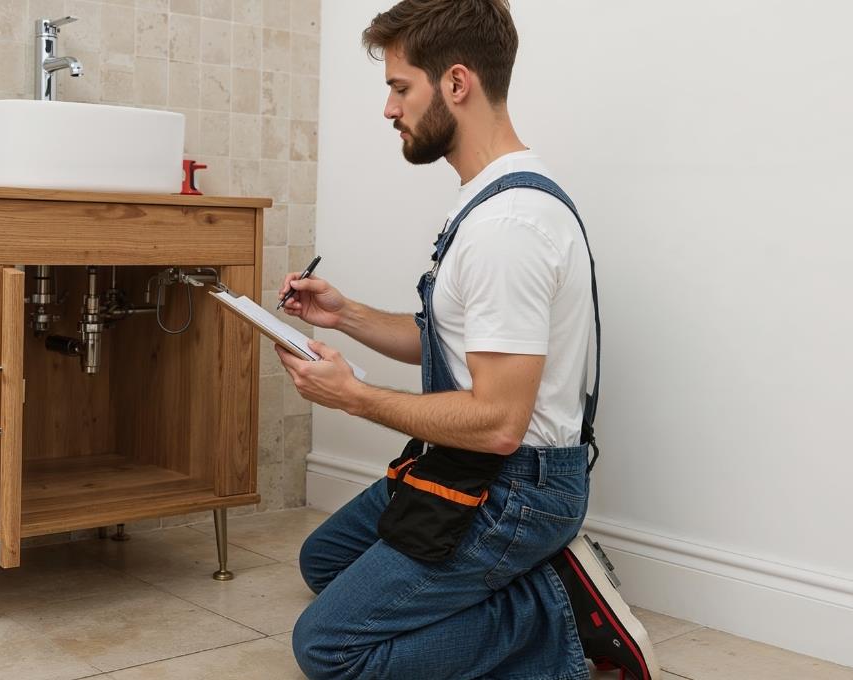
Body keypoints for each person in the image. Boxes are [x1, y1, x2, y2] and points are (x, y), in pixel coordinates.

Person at [273, 2, 659, 679]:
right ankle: (505, 587)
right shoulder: (487, 199)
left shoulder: (507, 227)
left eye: (400, 87)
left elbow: (500, 424)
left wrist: (354, 397)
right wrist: (346, 314)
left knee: (330, 650)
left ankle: (558, 614)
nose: (389, 110)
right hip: (465, 465)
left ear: (456, 84)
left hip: (515, 489)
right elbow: (449, 341)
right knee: (325, 563)